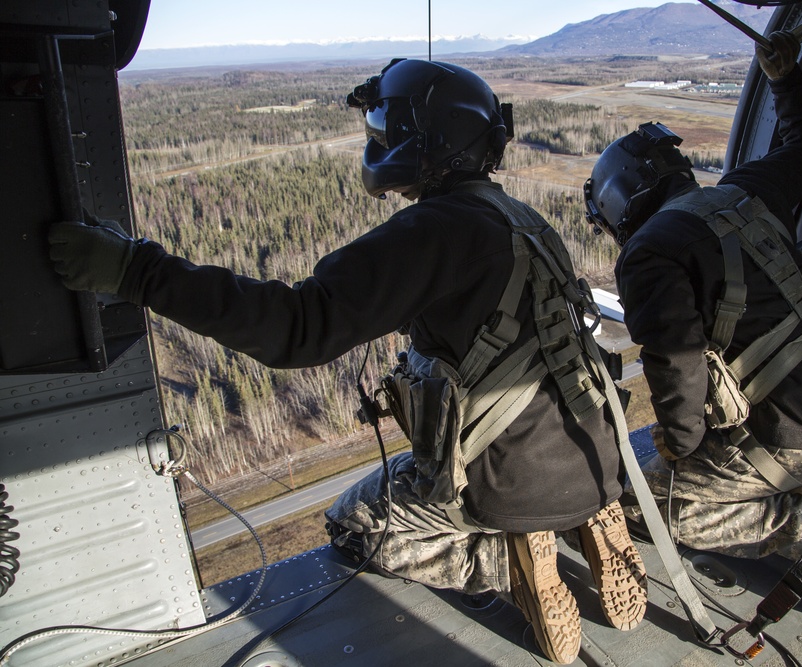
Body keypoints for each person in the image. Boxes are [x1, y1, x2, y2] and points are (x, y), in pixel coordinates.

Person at [48, 58, 646, 664]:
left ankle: (508, 550)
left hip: (512, 485)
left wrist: (137, 270)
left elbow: (298, 328)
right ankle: (586, 519)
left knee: (354, 523)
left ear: (426, 140)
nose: (379, 138)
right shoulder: (527, 221)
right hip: (597, 457)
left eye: (386, 125)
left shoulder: (432, 231)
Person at [582, 32, 802, 620]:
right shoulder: (747, 191)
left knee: (643, 505)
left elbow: (676, 362)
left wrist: (682, 447)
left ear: (618, 210)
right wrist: (786, 80)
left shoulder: (648, 253)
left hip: (795, 442)